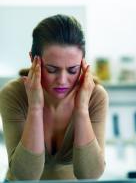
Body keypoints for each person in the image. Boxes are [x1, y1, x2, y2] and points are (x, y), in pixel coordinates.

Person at [0, 14, 108, 180]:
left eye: (72, 70)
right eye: (51, 69)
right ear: (33, 60)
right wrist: (35, 108)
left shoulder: (95, 97)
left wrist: (81, 109)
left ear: (82, 64)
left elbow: (90, 175)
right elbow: (25, 177)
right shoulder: (14, 94)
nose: (63, 81)